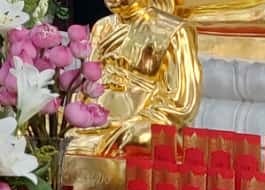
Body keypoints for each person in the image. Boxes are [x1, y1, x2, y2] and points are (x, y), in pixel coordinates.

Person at [68, 0, 200, 156]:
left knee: (142, 138)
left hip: (141, 124)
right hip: (96, 123)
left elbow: (181, 103)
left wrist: (137, 124)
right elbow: (88, 82)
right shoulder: (102, 27)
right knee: (50, 129)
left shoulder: (174, 30)